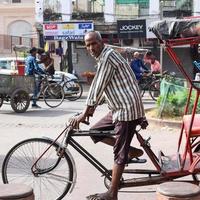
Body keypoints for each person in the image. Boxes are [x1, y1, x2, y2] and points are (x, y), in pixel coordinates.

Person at [69, 31, 147, 200]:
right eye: (87, 45)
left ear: (101, 42)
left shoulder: (108, 57)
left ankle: (112, 193)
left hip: (126, 109)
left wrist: (84, 113)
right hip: (119, 107)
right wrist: (91, 110)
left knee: (119, 153)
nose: (90, 48)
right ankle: (130, 151)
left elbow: (97, 86)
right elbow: (108, 89)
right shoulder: (105, 57)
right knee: (95, 131)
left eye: (93, 43)